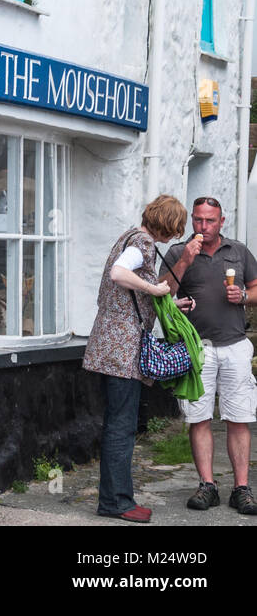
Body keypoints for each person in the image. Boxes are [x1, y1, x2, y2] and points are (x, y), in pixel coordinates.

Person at [83, 194, 191, 523]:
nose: (175, 235)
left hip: (110, 348)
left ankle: (114, 499)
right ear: (168, 224)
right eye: (176, 228)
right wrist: (159, 291)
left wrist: (171, 304)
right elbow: (118, 274)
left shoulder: (129, 235)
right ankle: (117, 503)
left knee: (120, 425)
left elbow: (131, 290)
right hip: (122, 352)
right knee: (121, 428)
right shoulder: (142, 243)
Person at [162, 195, 257, 514]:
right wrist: (186, 260)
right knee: (198, 416)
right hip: (196, 347)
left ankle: (241, 488)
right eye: (198, 220)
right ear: (192, 219)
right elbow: (161, 290)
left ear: (221, 221)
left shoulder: (239, 251)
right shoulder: (178, 251)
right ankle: (208, 486)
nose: (204, 226)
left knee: (239, 417)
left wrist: (244, 295)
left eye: (210, 220)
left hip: (234, 344)